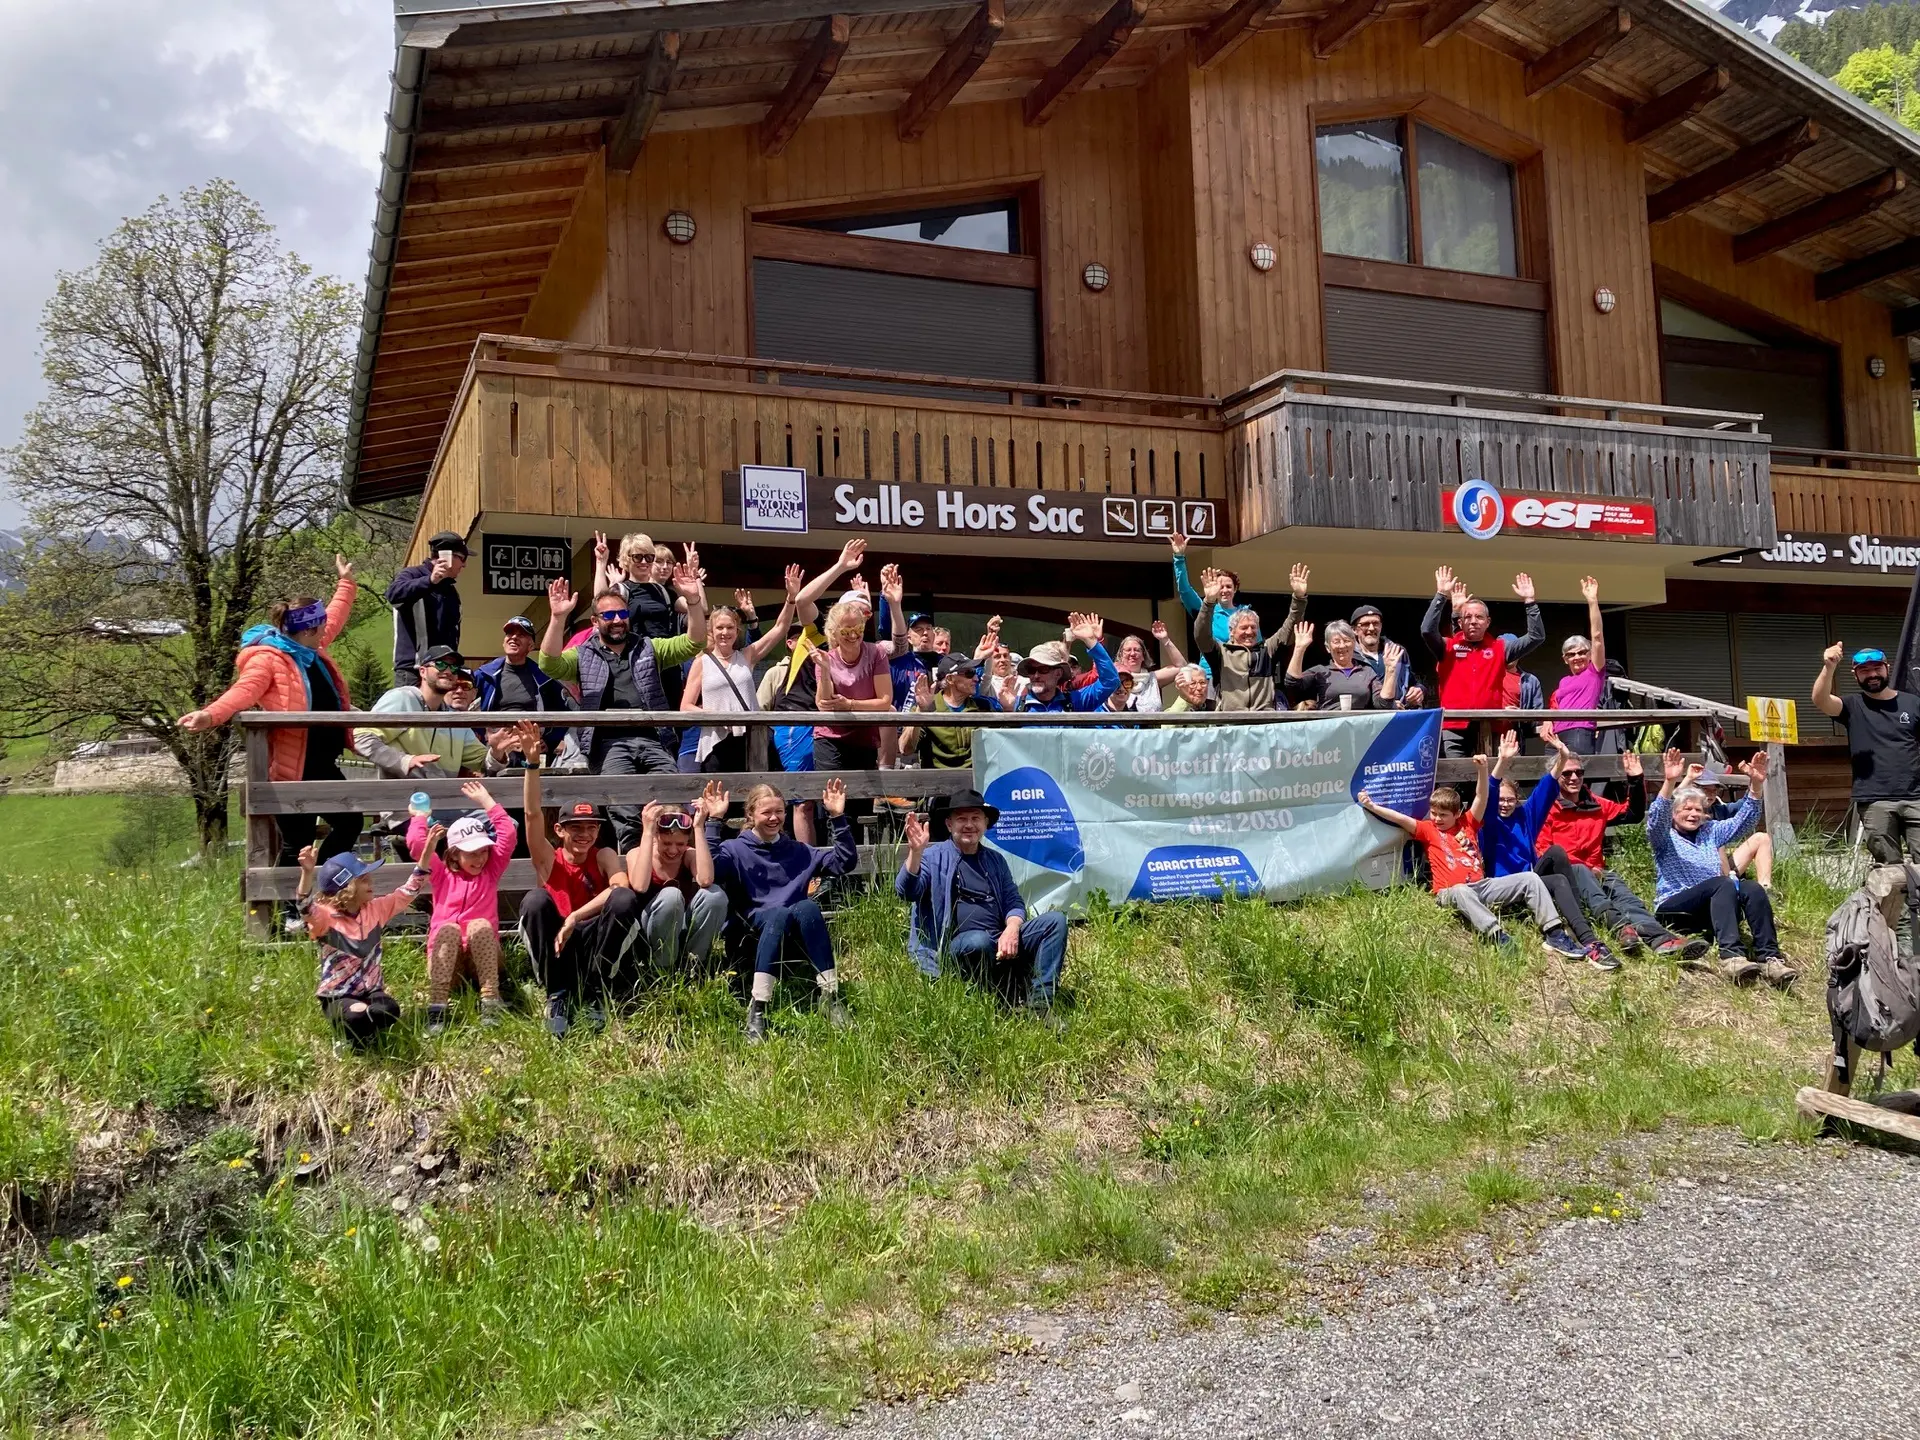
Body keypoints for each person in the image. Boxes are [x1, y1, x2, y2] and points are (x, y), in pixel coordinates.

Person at [178, 556, 362, 869]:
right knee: (297, 843)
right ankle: (287, 913)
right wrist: (209, 715)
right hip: (292, 767)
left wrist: (346, 582)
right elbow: (243, 692)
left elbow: (333, 618)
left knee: (350, 823)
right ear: (307, 631)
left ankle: (318, 889)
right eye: (320, 630)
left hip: (322, 762)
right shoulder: (268, 659)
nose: (325, 634)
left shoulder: (309, 647)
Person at [539, 556, 708, 852]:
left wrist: (693, 602)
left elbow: (693, 642)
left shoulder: (649, 647)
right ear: (595, 621)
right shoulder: (583, 654)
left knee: (672, 799)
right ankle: (634, 864)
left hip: (652, 738)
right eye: (608, 615)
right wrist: (556, 618)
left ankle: (670, 865)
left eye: (621, 613)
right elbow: (549, 663)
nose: (617, 620)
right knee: (624, 807)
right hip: (608, 744)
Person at [1358, 758, 1583, 957]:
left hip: (1481, 886)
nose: (1437, 819)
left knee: (1530, 878)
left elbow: (1481, 795)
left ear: (1457, 814)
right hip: (1449, 892)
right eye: (1434, 813)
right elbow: (1400, 818)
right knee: (1461, 890)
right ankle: (1497, 935)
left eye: (1443, 815)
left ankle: (1554, 933)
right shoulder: (1428, 830)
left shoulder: (1469, 824)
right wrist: (1371, 805)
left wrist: (1483, 770)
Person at [1531, 731, 1701, 961]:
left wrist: (1635, 780)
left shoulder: (1595, 804)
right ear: (1556, 777)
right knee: (1582, 871)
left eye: (1579, 773)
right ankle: (1620, 927)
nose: (1573, 778)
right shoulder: (1547, 808)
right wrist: (1583, 867)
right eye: (1566, 773)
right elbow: (1544, 852)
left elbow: (1632, 814)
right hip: (1567, 877)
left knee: (1622, 892)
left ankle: (1660, 938)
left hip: (1597, 872)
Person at [711, 778, 858, 1041]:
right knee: (778, 913)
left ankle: (830, 996)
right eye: (766, 812)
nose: (773, 818)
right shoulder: (734, 849)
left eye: (779, 811)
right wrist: (713, 822)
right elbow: (709, 870)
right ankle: (758, 1008)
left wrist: (837, 817)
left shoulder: (798, 851)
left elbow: (844, 862)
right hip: (751, 937)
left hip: (793, 937)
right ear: (750, 814)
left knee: (807, 907)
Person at [897, 789, 1068, 1012]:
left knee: (1055, 921)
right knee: (978, 941)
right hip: (959, 947)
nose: (969, 825)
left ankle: (1040, 1004)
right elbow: (906, 891)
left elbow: (1013, 902)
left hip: (999, 942)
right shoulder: (932, 857)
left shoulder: (995, 860)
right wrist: (915, 853)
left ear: (985, 823)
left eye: (975, 818)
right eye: (962, 819)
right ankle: (998, 996)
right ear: (949, 825)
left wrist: (1012, 929)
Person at [516, 734, 639, 1036]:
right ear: (559, 830)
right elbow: (532, 815)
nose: (585, 834)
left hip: (592, 942)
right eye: (576, 828)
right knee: (535, 900)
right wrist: (533, 765)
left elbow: (619, 887)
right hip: (557, 946)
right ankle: (556, 994)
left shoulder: (604, 855)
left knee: (623, 898)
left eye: (591, 828)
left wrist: (575, 916)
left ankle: (596, 989)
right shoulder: (548, 858)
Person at [1645, 748, 1795, 987]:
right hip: (1675, 910)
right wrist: (1670, 781)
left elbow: (1744, 822)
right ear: (1674, 814)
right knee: (1722, 883)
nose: (1693, 814)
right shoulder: (1665, 837)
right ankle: (1732, 956)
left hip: (1711, 909)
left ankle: (1770, 957)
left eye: (1698, 810)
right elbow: (1656, 819)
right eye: (1687, 809)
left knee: (1752, 888)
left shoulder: (1710, 832)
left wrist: (1755, 786)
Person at [1480, 732, 1619, 970]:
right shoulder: (1489, 822)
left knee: (1556, 852)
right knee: (1553, 878)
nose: (1505, 804)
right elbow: (1489, 792)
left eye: (1510, 800)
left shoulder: (1525, 818)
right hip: (1506, 887)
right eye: (1501, 800)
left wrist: (1563, 755)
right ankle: (1581, 930)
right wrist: (1502, 762)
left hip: (1532, 879)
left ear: (1517, 801)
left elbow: (1547, 787)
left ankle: (1582, 929)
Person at [296, 841, 434, 1050]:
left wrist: (426, 854)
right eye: (363, 879)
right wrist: (307, 873)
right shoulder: (324, 918)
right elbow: (304, 907)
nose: (371, 882)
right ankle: (347, 1039)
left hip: (371, 992)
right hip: (338, 996)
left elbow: (407, 892)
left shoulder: (375, 910)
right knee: (357, 1015)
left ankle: (364, 1037)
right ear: (346, 887)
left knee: (388, 1011)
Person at [407, 780, 519, 1032]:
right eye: (471, 853)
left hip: (484, 958)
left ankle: (490, 999)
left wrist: (487, 803)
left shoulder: (490, 871)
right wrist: (420, 818)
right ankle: (437, 1005)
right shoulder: (441, 874)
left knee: (480, 925)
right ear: (454, 853)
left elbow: (508, 836)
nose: (480, 859)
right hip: (447, 962)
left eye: (483, 851)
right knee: (448, 929)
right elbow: (417, 846)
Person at [682, 566, 799, 772]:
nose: (725, 632)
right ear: (712, 630)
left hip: (750, 739)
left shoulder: (747, 655)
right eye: (719, 628)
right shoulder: (703, 662)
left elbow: (780, 628)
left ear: (737, 630)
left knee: (754, 798)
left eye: (730, 627)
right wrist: (713, 715)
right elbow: (686, 706)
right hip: (716, 740)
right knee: (721, 800)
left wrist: (791, 598)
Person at [1812, 641, 1920, 863]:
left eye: (1877, 668)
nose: (1872, 674)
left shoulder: (1913, 703)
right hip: (1874, 800)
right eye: (1865, 671)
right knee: (1888, 868)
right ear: (1856, 675)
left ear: (1887, 668)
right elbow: (1821, 700)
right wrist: (1829, 667)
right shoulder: (1852, 705)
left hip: (1916, 798)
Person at [1421, 565, 1543, 755]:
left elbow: (1536, 637)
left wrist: (1530, 602)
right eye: (1467, 617)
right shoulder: (1448, 647)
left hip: (1489, 725)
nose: (1473, 620)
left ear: (1488, 622)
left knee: (1487, 779)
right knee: (1456, 779)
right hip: (1454, 726)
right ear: (1460, 623)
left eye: (1479, 617)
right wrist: (1441, 595)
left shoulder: (1500, 648)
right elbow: (1427, 630)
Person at [627, 783, 729, 983]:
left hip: (681, 930)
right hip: (649, 933)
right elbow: (639, 885)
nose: (673, 851)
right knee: (671, 895)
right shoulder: (638, 853)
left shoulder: (688, 855)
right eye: (667, 843)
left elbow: (706, 880)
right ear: (656, 837)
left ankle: (695, 966)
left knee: (715, 895)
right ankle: (662, 970)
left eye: (680, 844)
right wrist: (647, 832)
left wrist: (699, 828)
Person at [354, 646, 490, 786]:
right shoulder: (403, 698)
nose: (448, 671)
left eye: (454, 667)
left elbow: (483, 762)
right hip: (401, 799)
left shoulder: (454, 720)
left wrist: (498, 752)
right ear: (423, 672)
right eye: (440, 664)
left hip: (443, 800)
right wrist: (404, 761)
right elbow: (360, 737)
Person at [472, 615, 578, 769]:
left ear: (531, 645)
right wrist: (484, 738)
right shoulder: (483, 675)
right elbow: (466, 706)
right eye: (510, 634)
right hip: (497, 748)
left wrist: (549, 741)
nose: (514, 638)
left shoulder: (544, 679)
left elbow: (564, 712)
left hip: (532, 748)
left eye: (521, 635)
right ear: (503, 642)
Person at [1194, 570, 1300, 712]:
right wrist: (1208, 602)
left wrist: (1299, 598)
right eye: (1244, 628)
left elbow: (1289, 629)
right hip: (1231, 725)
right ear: (1231, 631)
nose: (1249, 632)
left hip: (1263, 724)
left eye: (1253, 627)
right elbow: (1201, 636)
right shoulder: (1221, 653)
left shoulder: (1266, 650)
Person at [813, 598, 896, 773]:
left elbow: (884, 702)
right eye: (846, 631)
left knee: (862, 798)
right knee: (832, 796)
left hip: (865, 736)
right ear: (833, 632)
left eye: (858, 629)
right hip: (830, 737)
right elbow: (824, 705)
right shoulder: (825, 658)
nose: (853, 636)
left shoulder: (876, 653)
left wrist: (849, 704)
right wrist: (825, 670)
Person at [387, 531, 467, 686]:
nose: (464, 565)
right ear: (447, 557)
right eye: (462, 559)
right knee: (412, 709)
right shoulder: (412, 574)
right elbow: (393, 594)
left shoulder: (450, 590)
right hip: (413, 670)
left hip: (443, 670)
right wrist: (430, 581)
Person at [1546, 576, 1608, 755]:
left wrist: (1592, 601)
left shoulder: (1594, 672)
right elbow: (1555, 707)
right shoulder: (1564, 681)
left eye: (1582, 652)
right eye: (1571, 654)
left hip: (1579, 731)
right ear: (1565, 659)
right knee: (1551, 779)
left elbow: (1597, 637)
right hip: (1556, 735)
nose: (1577, 657)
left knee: (1576, 777)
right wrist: (1548, 721)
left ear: (1589, 655)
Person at [1284, 620, 1403, 710]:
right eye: (1336, 642)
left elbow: (1383, 704)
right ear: (1327, 647)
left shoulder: (1367, 672)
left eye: (1346, 641)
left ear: (1354, 644)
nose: (1342, 646)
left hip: (1361, 732)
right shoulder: (1320, 672)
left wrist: (1390, 671)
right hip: (1328, 731)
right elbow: (1292, 684)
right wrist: (1299, 648)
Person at [902, 655, 994, 768]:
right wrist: (920, 712)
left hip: (978, 780)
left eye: (975, 672)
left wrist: (1008, 708)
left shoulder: (983, 706)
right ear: (950, 679)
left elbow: (1003, 745)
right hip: (938, 781)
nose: (976, 678)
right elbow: (905, 749)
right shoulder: (928, 708)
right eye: (969, 673)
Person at [1169, 531, 1258, 646]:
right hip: (1210, 664)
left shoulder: (1247, 614)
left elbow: (1258, 645)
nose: (1225, 590)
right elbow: (1185, 590)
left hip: (1239, 662)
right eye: (1220, 587)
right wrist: (1179, 558)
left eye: (1229, 586)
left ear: (1235, 589)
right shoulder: (1205, 611)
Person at [1017, 614, 1118, 712]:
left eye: (1043, 669)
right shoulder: (1015, 704)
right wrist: (1007, 708)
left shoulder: (1076, 701)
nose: (1036, 675)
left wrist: (1091, 641)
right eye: (1031, 670)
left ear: (1058, 673)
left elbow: (1110, 681)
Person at [1695, 763, 1772, 889]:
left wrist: (1755, 782)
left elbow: (1746, 807)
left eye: (1714, 790)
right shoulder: (1679, 816)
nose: (1711, 794)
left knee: (1761, 838)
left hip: (1722, 868)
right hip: (1694, 872)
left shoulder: (1719, 811)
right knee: (1716, 842)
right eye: (1705, 790)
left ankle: (1765, 888)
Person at [1351, 604, 1424, 706]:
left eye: (1376, 623)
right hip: (1366, 718)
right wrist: (1390, 705)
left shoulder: (1397, 651)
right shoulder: (1350, 658)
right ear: (1354, 630)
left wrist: (1419, 690)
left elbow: (1412, 681)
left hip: (1399, 718)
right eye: (1365, 624)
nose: (1371, 628)